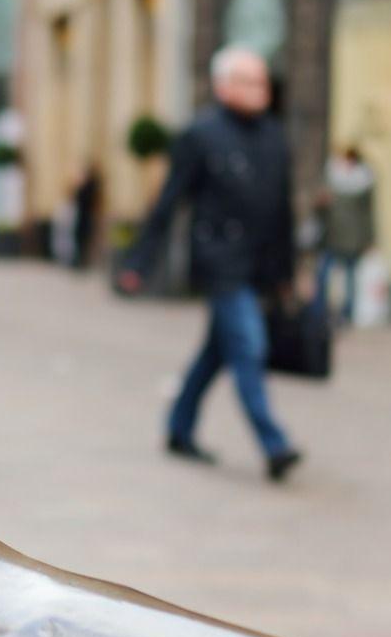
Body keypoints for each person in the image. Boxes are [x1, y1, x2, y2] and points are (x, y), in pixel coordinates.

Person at [119, 45, 303, 482]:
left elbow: (282, 213)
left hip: (258, 266)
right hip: (220, 262)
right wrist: (138, 262)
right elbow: (168, 203)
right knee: (249, 348)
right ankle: (274, 445)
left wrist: (288, 275)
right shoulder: (199, 135)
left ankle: (179, 428)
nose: (258, 89)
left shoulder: (276, 137)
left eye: (261, 81)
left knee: (216, 353)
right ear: (223, 85)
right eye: (247, 81)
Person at [316, 145, 377, 326]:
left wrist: (369, 239)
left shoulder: (362, 181)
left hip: (350, 237)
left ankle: (345, 312)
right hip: (334, 235)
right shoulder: (333, 177)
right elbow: (321, 210)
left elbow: (368, 213)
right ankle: (322, 310)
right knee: (326, 273)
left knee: (348, 276)